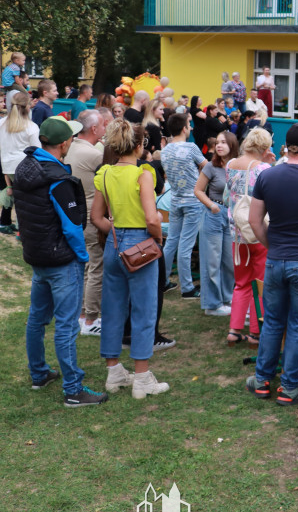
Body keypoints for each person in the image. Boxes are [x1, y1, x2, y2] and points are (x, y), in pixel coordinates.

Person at [14, 116, 106, 407]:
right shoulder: (57, 178)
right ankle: (73, 390)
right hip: (61, 260)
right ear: (64, 143)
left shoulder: (25, 167)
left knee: (37, 320)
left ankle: (39, 373)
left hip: (38, 256)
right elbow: (71, 226)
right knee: (66, 326)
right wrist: (82, 258)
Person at [246, 123, 298, 405]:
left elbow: (254, 221)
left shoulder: (268, 176)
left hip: (276, 260)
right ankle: (290, 386)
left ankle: (262, 380)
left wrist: (272, 246)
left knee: (272, 322)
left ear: (285, 146)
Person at [91, 119, 169, 399]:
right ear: (140, 146)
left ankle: (114, 373)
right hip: (141, 245)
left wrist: (117, 232)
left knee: (112, 309)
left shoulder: (105, 173)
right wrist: (157, 238)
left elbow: (96, 217)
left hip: (114, 244)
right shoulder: (143, 173)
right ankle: (142, 378)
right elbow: (151, 217)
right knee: (144, 311)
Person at [224, 127, 273, 347]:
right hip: (257, 232)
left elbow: (227, 194)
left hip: (236, 232)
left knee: (241, 282)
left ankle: (234, 330)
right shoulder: (264, 169)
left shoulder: (230, 165)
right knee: (260, 282)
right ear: (264, 147)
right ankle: (255, 331)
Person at [65, 109, 112, 336]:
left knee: (85, 267)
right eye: (104, 126)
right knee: (96, 267)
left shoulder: (72, 147)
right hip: (92, 216)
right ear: (95, 129)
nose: (105, 130)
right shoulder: (93, 154)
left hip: (76, 216)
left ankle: (82, 315)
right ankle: (91, 318)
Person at [161, 112, 207, 298]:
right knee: (186, 244)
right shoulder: (191, 147)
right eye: (189, 125)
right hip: (193, 201)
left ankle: (162, 281)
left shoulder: (164, 151)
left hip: (176, 199)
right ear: (183, 128)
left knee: (171, 241)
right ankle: (187, 287)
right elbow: (207, 166)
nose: (191, 128)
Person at [194, 131, 237, 317]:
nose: (219, 145)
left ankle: (227, 299)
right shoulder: (211, 167)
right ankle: (212, 304)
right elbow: (198, 190)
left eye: (224, 142)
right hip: (213, 215)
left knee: (229, 261)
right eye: (217, 142)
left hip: (231, 217)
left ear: (232, 145)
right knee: (212, 261)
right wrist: (211, 205)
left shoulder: (237, 166)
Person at [1, 92, 41, 177]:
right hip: (26, 170)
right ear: (27, 106)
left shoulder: (1, 123)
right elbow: (37, 151)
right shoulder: (31, 127)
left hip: (7, 168)